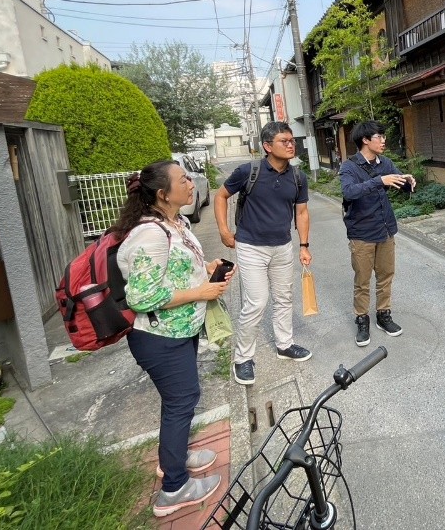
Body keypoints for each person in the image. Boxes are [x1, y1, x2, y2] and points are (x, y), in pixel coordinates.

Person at [114, 161, 232, 518]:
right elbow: (142, 297)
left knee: (177, 401)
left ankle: (174, 458)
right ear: (163, 194)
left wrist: (207, 271)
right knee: (182, 401)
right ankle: (173, 489)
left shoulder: (175, 223)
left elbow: (174, 273)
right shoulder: (150, 233)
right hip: (159, 338)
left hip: (178, 330)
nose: (192, 183)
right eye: (183, 180)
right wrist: (201, 292)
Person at [214, 122, 312, 386]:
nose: (291, 144)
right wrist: (224, 230)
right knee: (256, 302)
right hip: (250, 246)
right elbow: (221, 196)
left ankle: (284, 344)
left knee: (284, 298)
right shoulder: (248, 171)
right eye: (284, 141)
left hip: (283, 246)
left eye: (292, 140)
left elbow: (301, 212)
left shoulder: (298, 177)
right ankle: (243, 359)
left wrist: (304, 245)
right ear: (268, 146)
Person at [339, 121, 415, 346]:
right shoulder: (349, 167)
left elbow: (399, 182)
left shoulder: (386, 163)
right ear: (365, 140)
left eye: (383, 136)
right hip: (361, 233)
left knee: (385, 276)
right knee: (362, 280)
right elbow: (349, 192)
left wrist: (408, 182)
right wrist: (378, 181)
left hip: (386, 229)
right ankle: (362, 319)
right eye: (379, 136)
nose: (383, 140)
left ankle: (383, 315)